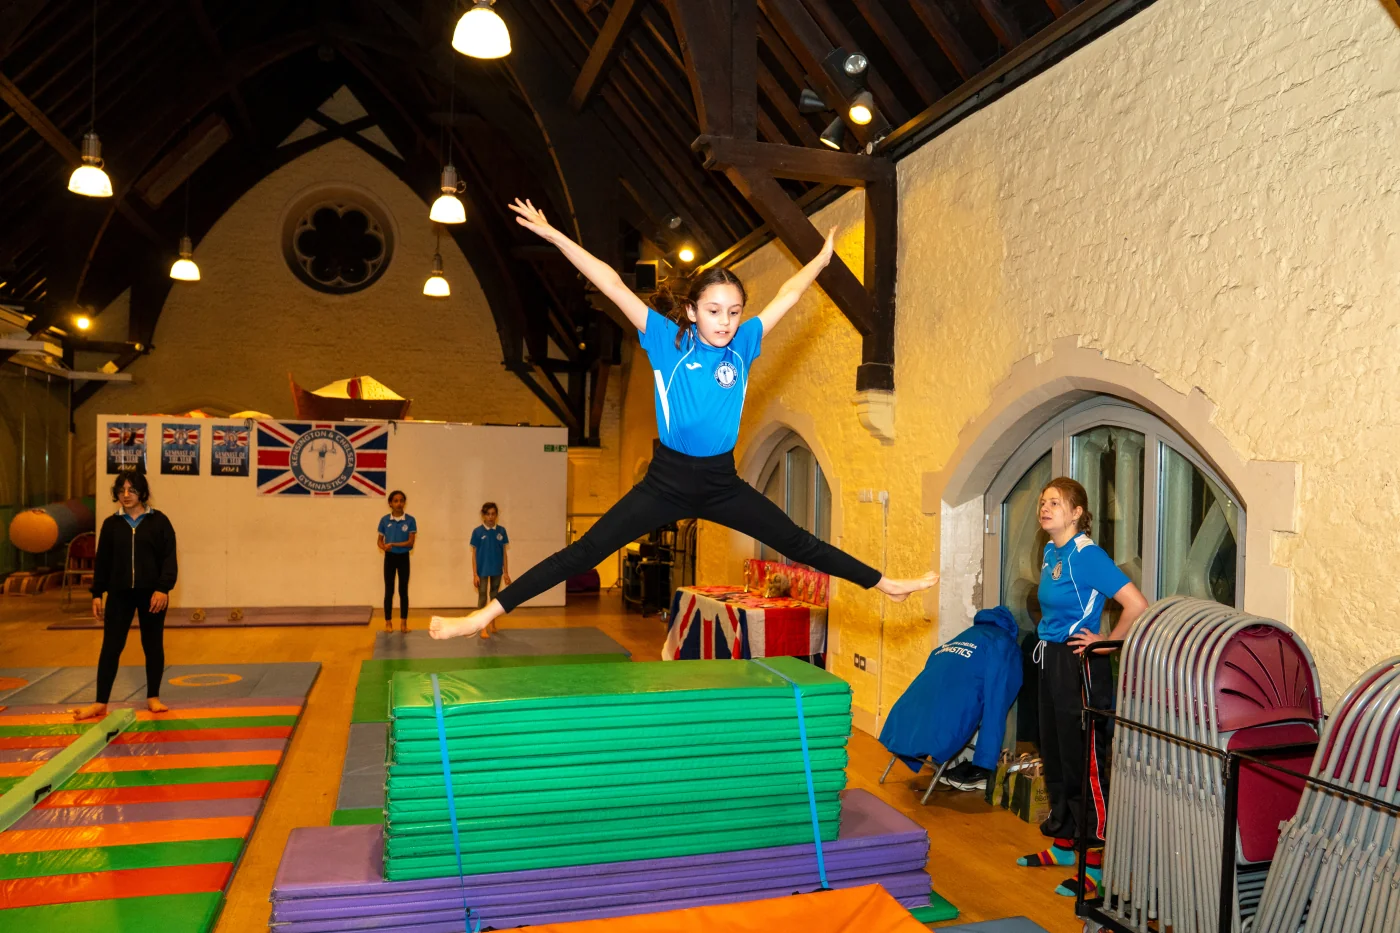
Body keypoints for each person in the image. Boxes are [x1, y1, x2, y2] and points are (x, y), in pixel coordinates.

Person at [429, 199, 937, 640]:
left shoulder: (743, 345)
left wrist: (821, 260)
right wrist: (553, 233)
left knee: (798, 541)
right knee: (585, 552)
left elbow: (788, 295)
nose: (725, 321)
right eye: (714, 311)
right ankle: (483, 615)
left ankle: (884, 584)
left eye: (734, 311)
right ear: (692, 311)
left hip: (721, 482)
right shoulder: (665, 342)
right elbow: (607, 280)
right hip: (666, 482)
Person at [1017, 477, 1147, 898]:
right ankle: (1065, 842)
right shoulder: (1053, 553)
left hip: (1080, 665)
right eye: (1043, 501)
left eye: (1056, 502)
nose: (1046, 507)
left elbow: (1136, 605)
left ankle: (1096, 862)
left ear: (1077, 513)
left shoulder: (1087, 555)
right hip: (1051, 658)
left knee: (1085, 762)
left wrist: (1105, 642)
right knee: (1055, 754)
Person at [878, 605, 1023, 792]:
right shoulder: (1002, 643)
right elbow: (998, 700)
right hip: (950, 717)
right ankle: (978, 773)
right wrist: (985, 761)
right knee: (989, 707)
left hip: (907, 711)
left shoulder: (966, 635)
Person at [71, 471, 178, 721]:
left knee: (152, 645)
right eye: (121, 490)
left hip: (152, 595)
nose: (126, 495)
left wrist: (163, 588)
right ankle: (100, 702)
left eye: (131, 490)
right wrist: (97, 593)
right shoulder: (111, 524)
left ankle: (153, 696)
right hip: (119, 594)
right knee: (111, 647)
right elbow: (103, 562)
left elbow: (169, 558)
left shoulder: (159, 522)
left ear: (142, 492)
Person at [469, 502, 510, 638]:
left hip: (496, 570)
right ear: (483, 516)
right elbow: (474, 555)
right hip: (482, 571)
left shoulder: (501, 531)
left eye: (493, 514)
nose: (491, 517)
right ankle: (482, 627)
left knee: (494, 598)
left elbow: (504, 553)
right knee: (482, 597)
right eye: (488, 514)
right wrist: (475, 574)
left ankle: (492, 623)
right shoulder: (477, 532)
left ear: (496, 515)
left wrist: (506, 572)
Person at [377, 490, 416, 633]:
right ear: (390, 503)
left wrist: (393, 544)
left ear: (404, 503)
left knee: (403, 591)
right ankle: (388, 622)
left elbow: (410, 543)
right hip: (390, 558)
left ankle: (403, 624)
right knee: (389, 590)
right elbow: (379, 541)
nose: (399, 503)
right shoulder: (384, 520)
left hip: (403, 558)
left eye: (401, 500)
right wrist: (384, 547)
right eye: (396, 501)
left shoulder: (410, 520)